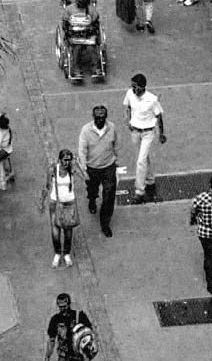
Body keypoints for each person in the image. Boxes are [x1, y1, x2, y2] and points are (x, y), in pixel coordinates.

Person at [122, 74, 165, 204]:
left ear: (142, 87)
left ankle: (139, 191)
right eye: (132, 86)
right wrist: (128, 120)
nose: (133, 89)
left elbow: (159, 117)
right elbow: (128, 108)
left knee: (140, 162)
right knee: (143, 158)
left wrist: (161, 134)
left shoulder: (152, 99)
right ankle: (150, 180)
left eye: (135, 87)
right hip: (135, 132)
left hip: (148, 133)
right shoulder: (130, 94)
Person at [77, 106, 119, 237]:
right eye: (97, 118)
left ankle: (105, 223)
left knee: (109, 195)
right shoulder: (86, 130)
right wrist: (83, 166)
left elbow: (115, 145)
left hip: (108, 166)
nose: (100, 120)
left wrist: (116, 160)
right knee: (92, 188)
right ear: (93, 118)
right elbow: (82, 149)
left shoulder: (112, 127)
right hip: (92, 167)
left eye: (102, 118)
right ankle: (92, 199)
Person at [39, 150, 80, 268]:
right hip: (56, 203)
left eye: (69, 160)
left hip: (69, 203)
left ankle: (67, 253)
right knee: (55, 231)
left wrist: (79, 166)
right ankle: (57, 253)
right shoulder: (53, 170)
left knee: (68, 231)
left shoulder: (72, 170)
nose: (67, 162)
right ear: (60, 159)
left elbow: (87, 178)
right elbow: (47, 186)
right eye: (65, 160)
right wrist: (41, 201)